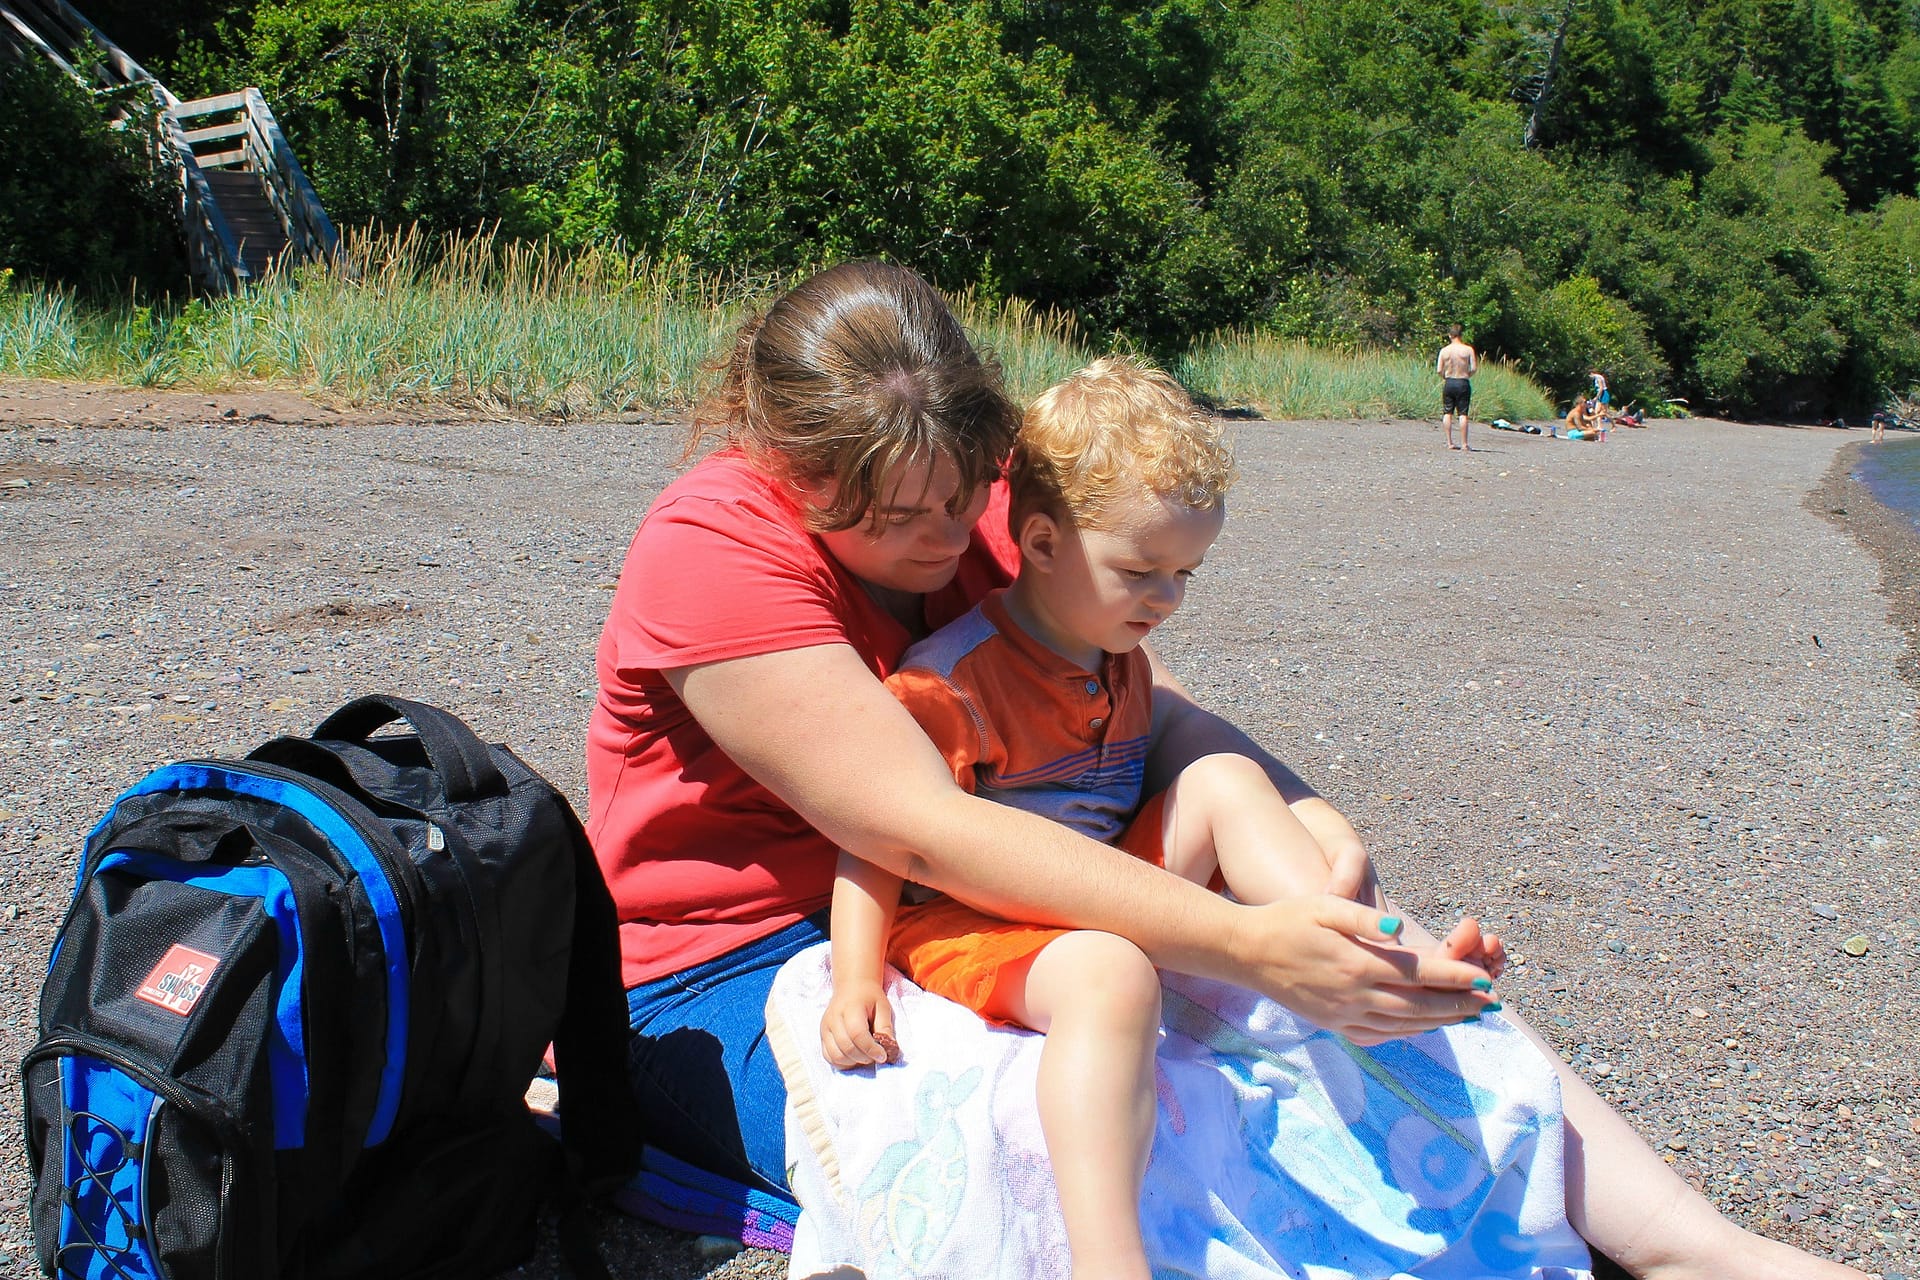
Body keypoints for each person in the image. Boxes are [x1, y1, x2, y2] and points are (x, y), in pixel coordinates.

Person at [586, 258, 1867, 1280]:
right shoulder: (717, 547)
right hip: (739, 964)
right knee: (1092, 1104)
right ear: (782, 455)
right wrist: (1247, 947)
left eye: (958, 493)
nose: (937, 539)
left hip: (984, 891)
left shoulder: (965, 497)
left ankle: (1700, 1246)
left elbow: (1152, 709)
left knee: (1330, 934)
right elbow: (913, 825)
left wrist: (1305, 824)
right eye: (886, 514)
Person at [819, 357, 1412, 1278]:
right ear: (1043, 542)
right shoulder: (949, 681)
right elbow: (880, 837)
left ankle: (1355, 952)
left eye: (1185, 573)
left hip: (1096, 883)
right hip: (980, 923)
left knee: (1221, 777)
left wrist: (1324, 829)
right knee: (1112, 972)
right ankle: (1108, 1260)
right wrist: (855, 979)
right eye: (1142, 570)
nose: (1166, 599)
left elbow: (1172, 800)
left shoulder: (1113, 653)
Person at [1436, 323, 1477, 451]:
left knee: (1448, 412)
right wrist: (1467, 375)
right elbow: (1474, 368)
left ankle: (1449, 442)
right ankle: (1464, 444)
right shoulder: (1468, 350)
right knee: (1463, 413)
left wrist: (1445, 376)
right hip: (1462, 381)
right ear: (1461, 335)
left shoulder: (1444, 351)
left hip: (1449, 381)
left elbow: (1439, 370)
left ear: (1450, 335)